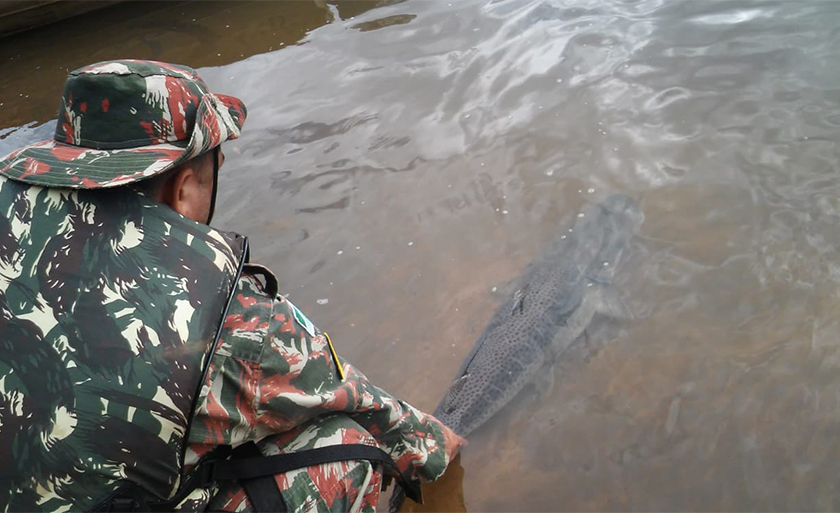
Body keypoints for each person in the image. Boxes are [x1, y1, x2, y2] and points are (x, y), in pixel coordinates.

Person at [0, 59, 462, 512]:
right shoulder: (226, 313)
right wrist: (447, 452)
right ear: (182, 188)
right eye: (215, 165)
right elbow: (374, 411)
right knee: (345, 446)